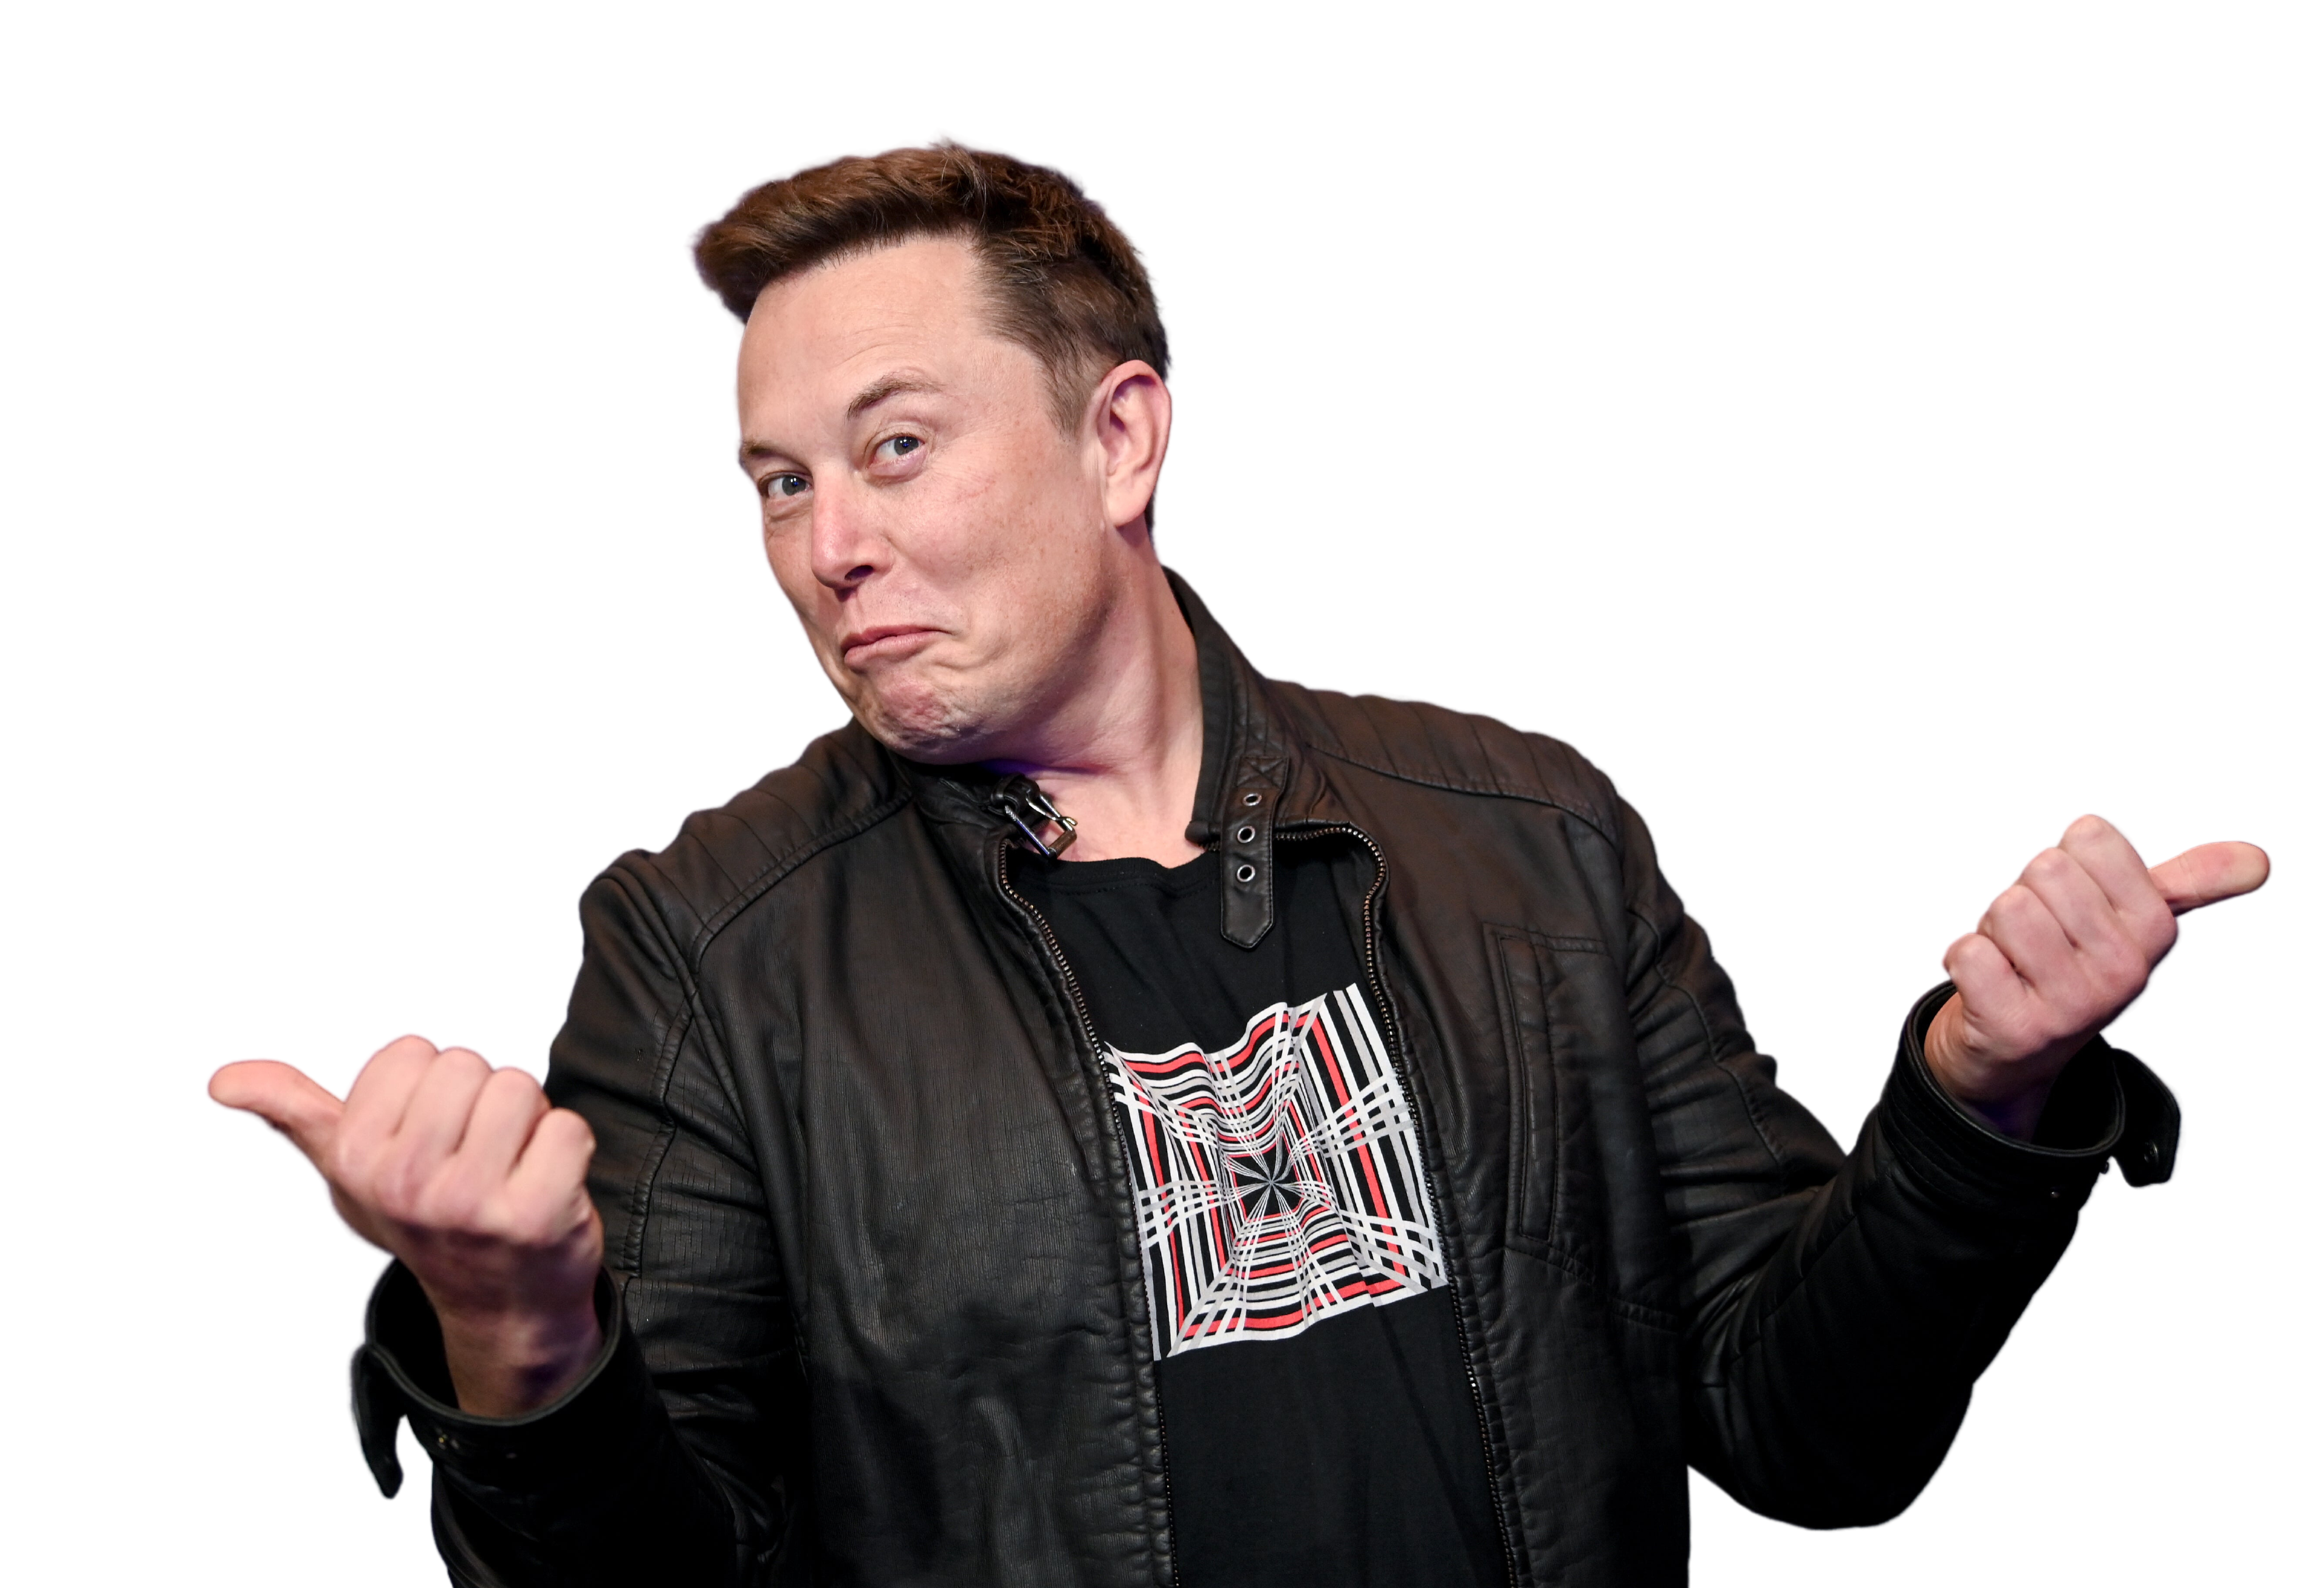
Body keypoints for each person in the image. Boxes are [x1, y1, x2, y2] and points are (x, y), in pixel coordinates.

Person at [205, 132, 2272, 1587]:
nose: (828, 545)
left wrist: (1979, 1105)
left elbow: (1802, 1440)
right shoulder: (705, 947)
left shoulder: (1533, 829)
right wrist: (522, 1340)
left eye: (897, 445)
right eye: (777, 481)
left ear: (1121, 436)